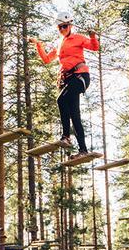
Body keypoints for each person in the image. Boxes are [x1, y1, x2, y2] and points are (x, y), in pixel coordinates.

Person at [30, 18, 99, 154]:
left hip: (80, 77)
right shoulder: (59, 43)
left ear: (70, 25)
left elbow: (94, 47)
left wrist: (92, 37)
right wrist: (38, 45)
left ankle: (66, 136)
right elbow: (46, 59)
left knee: (61, 100)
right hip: (68, 80)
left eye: (65, 26)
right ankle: (83, 150)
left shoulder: (78, 38)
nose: (62, 29)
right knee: (75, 115)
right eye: (60, 27)